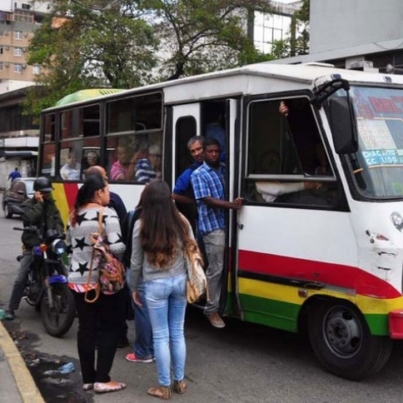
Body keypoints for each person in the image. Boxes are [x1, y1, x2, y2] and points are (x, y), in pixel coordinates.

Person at [130, 180, 193, 399]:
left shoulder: (141, 224)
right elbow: (192, 249)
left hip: (154, 285)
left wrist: (133, 287)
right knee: (177, 333)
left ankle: (163, 387)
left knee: (160, 336)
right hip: (179, 281)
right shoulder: (181, 221)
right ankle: (180, 382)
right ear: (169, 199)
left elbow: (136, 262)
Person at [67, 174, 126, 393]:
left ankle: (88, 379)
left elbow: (69, 244)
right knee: (109, 328)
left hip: (77, 280)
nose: (109, 194)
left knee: (86, 329)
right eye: (107, 190)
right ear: (99, 192)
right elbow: (118, 248)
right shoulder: (107, 213)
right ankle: (102, 379)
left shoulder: (74, 215)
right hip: (102, 282)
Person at [191, 138, 243, 329]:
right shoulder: (198, 174)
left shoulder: (222, 169)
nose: (214, 154)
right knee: (216, 269)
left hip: (226, 224)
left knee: (220, 266)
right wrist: (232, 206)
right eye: (210, 151)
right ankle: (211, 309)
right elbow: (207, 200)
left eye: (217, 151)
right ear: (203, 153)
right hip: (212, 228)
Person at [4, 177, 64, 321]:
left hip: (48, 244)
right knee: (21, 277)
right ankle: (11, 308)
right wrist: (39, 204)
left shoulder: (52, 205)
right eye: (43, 193)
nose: (47, 195)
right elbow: (31, 218)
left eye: (48, 193)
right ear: (37, 192)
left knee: (62, 269)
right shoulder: (28, 205)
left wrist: (59, 232)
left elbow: (58, 220)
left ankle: (66, 301)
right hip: (32, 244)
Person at [85, 165, 130, 348]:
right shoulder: (113, 203)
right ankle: (118, 336)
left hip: (90, 264)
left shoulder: (80, 206)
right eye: (105, 177)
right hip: (109, 262)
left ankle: (99, 338)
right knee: (113, 298)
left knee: (95, 300)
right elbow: (123, 230)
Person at [123, 199, 154, 364]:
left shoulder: (136, 217)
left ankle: (143, 351)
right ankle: (154, 349)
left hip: (139, 273)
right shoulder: (170, 218)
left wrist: (133, 285)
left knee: (142, 310)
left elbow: (135, 259)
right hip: (160, 275)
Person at [172, 135, 205, 234]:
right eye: (193, 151)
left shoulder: (218, 162)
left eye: (199, 149)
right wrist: (194, 201)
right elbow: (175, 195)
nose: (196, 153)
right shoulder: (191, 171)